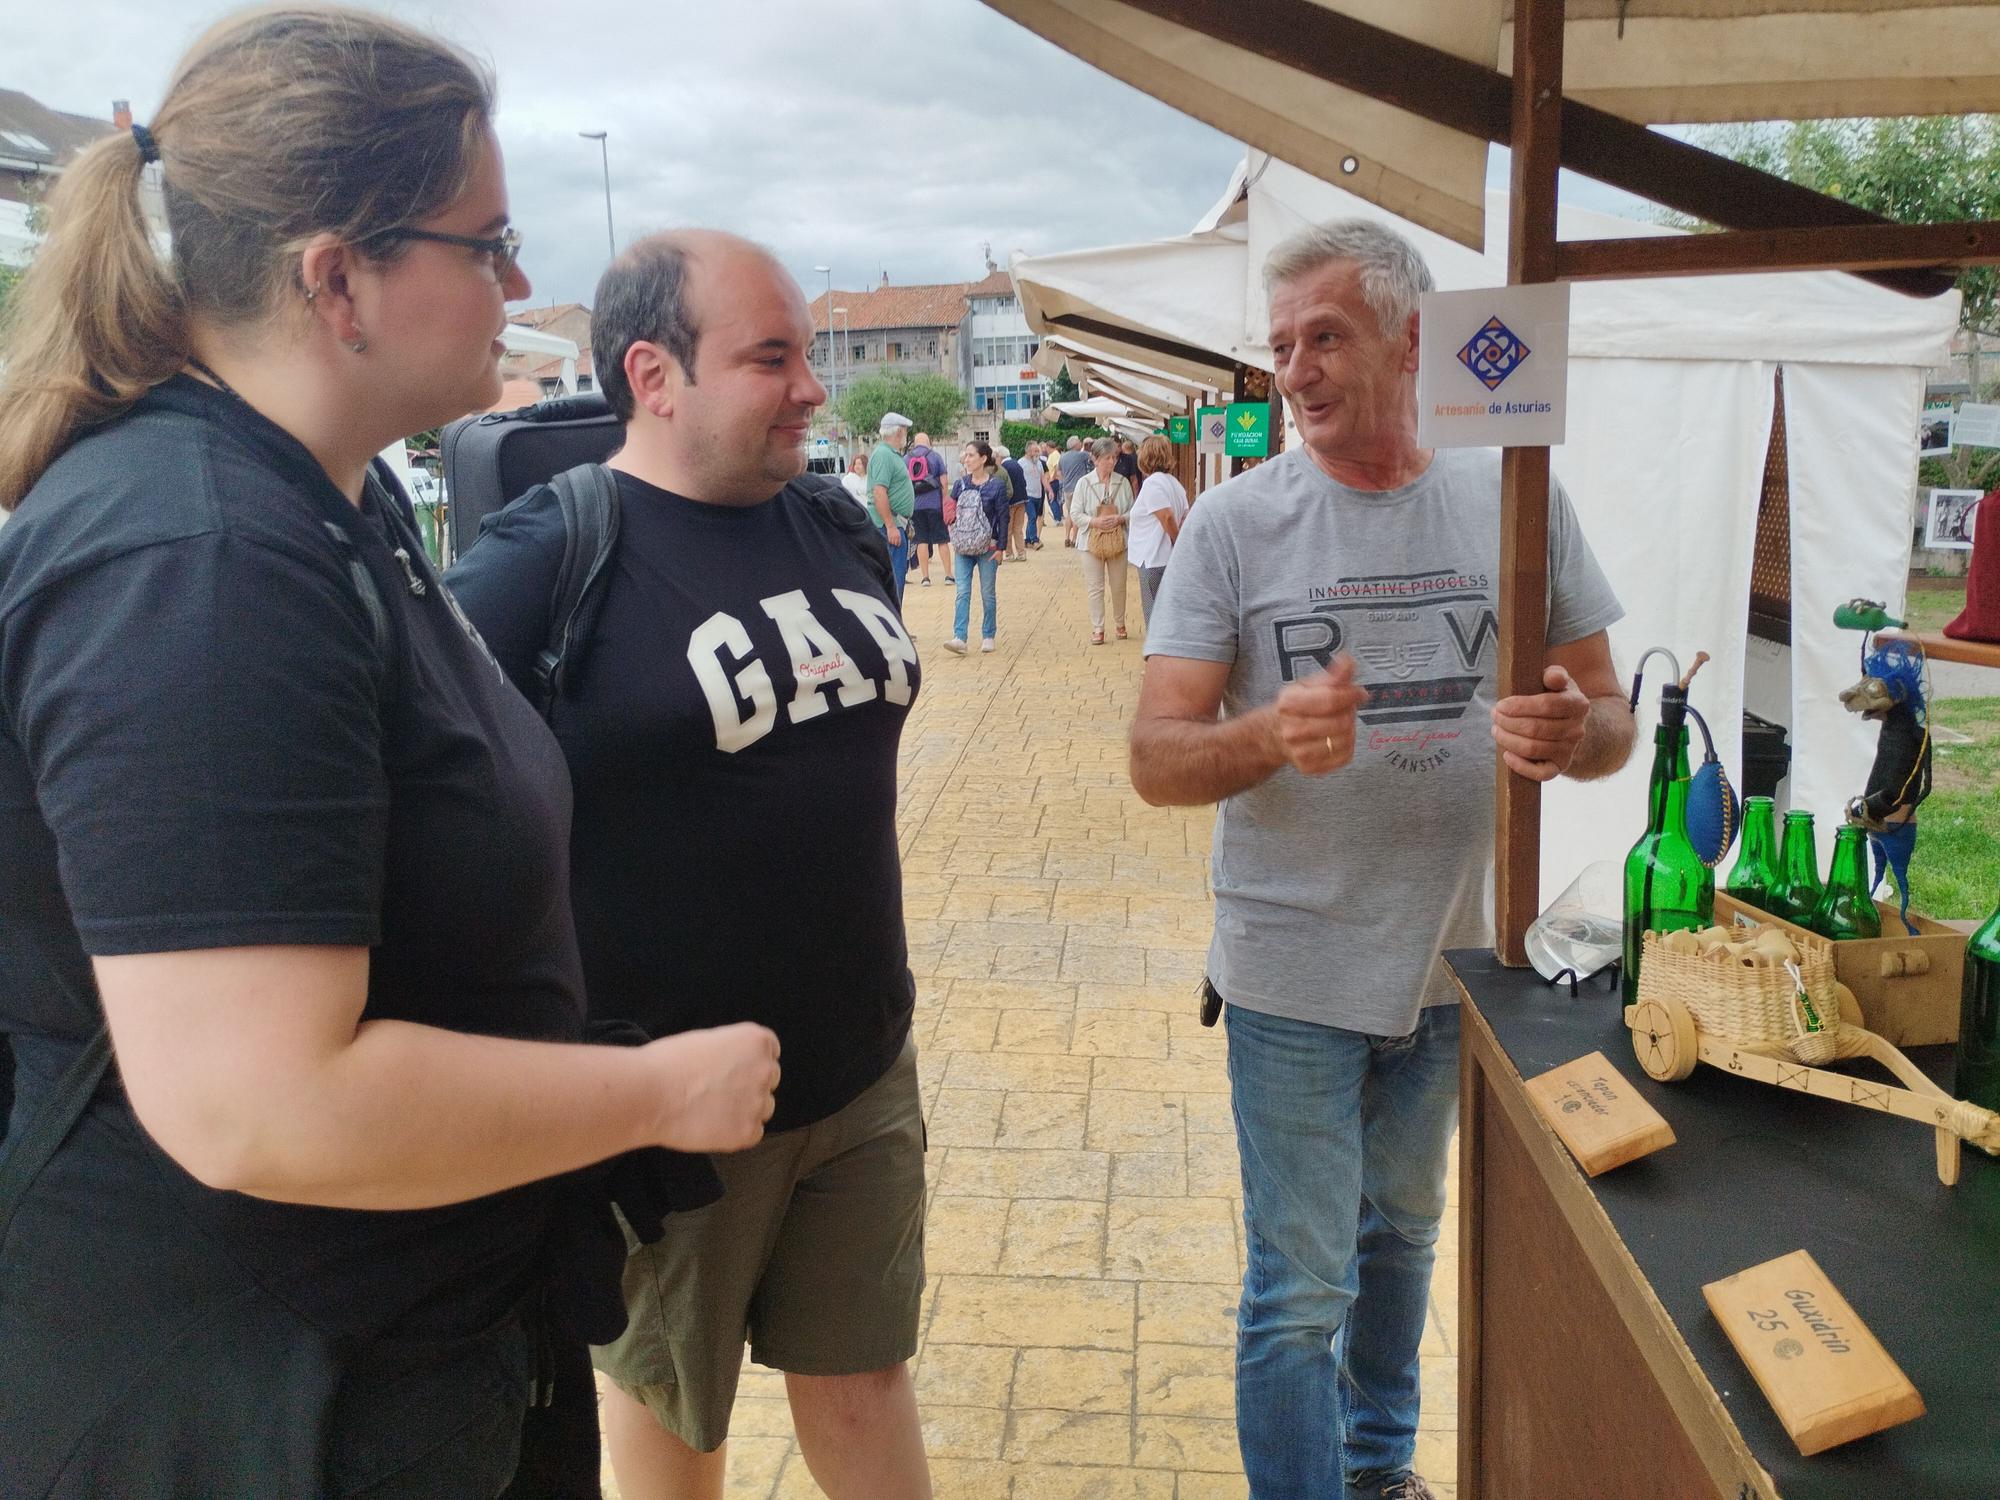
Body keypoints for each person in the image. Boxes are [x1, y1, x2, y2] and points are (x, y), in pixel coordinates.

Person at [0, 11, 778, 1499]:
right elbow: (259, 1098)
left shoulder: (319, 504)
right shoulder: (202, 554)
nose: (522, 283)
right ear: (336, 277)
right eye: (487, 243)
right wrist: (654, 1094)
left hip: (396, 1356)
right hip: (258, 1400)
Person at [1129, 219, 1634, 1500]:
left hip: (1451, 960)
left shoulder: (1511, 496)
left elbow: (1611, 716)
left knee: (1403, 1240)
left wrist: (1574, 733)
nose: (1293, 370)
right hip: (1291, 972)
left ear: (1412, 341)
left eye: (1324, 338)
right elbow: (1151, 756)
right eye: (1282, 342)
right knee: (1298, 1289)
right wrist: (1261, 736)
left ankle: (1377, 1470)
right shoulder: (1236, 527)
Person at [446, 229, 932, 1500]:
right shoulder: (548, 557)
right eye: (772, 358)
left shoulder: (834, 523)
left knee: (866, 1380)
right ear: (655, 375)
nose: (812, 388)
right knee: (674, 1423)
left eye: (808, 355)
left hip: (864, 1064)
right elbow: (419, 798)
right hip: (671, 1109)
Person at [942, 438, 1010, 655]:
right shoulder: (961, 484)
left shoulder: (997, 485)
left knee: (987, 593)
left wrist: (1001, 547)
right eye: (966, 455)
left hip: (988, 548)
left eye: (971, 455)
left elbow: (1003, 517)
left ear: (983, 459)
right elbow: (950, 508)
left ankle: (988, 634)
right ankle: (959, 637)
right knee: (962, 592)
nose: (966, 459)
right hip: (963, 548)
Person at [1070, 435, 1134, 644]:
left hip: (1118, 541)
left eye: (1114, 458)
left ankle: (1120, 623)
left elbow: (1133, 510)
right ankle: (1098, 627)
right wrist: (1095, 522)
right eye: (1106, 458)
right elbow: (1075, 514)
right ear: (1095, 459)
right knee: (1094, 586)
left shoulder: (1122, 482)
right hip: (1090, 542)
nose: (1111, 462)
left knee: (1119, 585)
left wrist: (1121, 518)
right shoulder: (1084, 483)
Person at [1129, 433, 1188, 625]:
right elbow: (1185, 516)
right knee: (1166, 613)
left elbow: (1167, 516)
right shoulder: (1175, 483)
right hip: (1165, 559)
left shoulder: (1153, 483)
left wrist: (1176, 539)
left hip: (1153, 558)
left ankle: (1156, 653)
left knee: (1154, 616)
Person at [867, 411, 917, 601]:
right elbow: (879, 491)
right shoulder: (883, 455)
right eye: (904, 430)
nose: (905, 435)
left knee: (896, 580)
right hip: (888, 525)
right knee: (893, 580)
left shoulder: (890, 454)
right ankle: (892, 626)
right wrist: (890, 525)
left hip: (895, 523)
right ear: (898, 432)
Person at [904, 429, 949, 585]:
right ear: (928, 442)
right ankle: (948, 575)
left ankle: (925, 578)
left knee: (921, 540)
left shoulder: (906, 458)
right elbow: (943, 481)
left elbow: (904, 483)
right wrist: (945, 500)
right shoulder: (935, 456)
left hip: (915, 506)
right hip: (934, 504)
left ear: (915, 443)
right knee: (942, 540)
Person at [1056, 433, 1093, 547]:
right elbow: (1093, 457)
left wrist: (1064, 481)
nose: (1081, 443)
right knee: (1078, 513)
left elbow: (1059, 473)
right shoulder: (1081, 455)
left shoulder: (1062, 457)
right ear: (1075, 444)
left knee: (1069, 514)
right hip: (1078, 488)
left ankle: (1066, 537)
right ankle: (1074, 539)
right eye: (1079, 442)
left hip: (1067, 488)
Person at [997, 442, 1030, 560]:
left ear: (1000, 456)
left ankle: (1009, 553)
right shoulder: (1017, 464)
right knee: (1018, 528)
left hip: (1011, 502)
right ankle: (1021, 553)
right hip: (1022, 500)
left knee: (1008, 529)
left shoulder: (1003, 468)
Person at [1018, 439, 1047, 549]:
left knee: (1033, 518)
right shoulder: (1021, 463)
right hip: (1027, 494)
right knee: (1032, 516)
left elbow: (1043, 477)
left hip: (1038, 494)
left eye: (1037, 451)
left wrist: (1049, 490)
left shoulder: (1039, 463)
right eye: (1035, 451)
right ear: (1028, 451)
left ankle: (1028, 540)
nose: (1037, 453)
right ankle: (1035, 540)